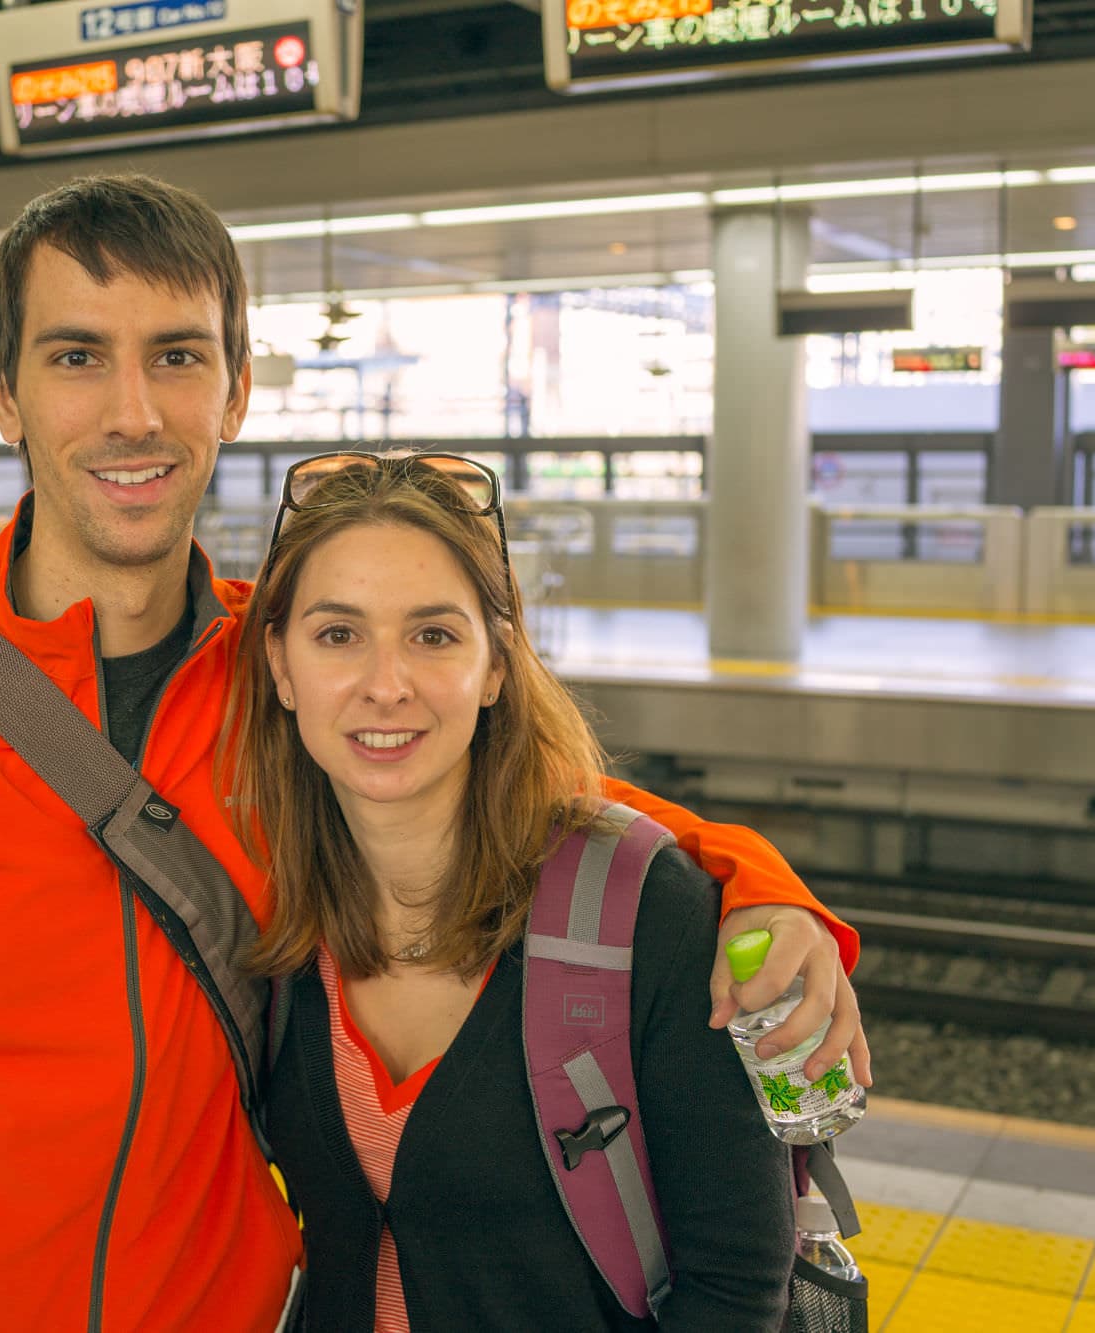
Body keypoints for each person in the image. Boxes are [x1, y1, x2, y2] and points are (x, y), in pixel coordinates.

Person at [0, 174, 864, 1331]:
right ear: (3, 394)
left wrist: (757, 879)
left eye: (178, 355)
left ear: (235, 392)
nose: (132, 410)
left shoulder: (284, 676)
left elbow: (526, 792)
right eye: (77, 355)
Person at [231, 451, 797, 1330]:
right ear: (280, 664)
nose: (387, 684)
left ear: (497, 664)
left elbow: (736, 1287)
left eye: (434, 635)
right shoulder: (269, 912)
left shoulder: (647, 919)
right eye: (338, 634)